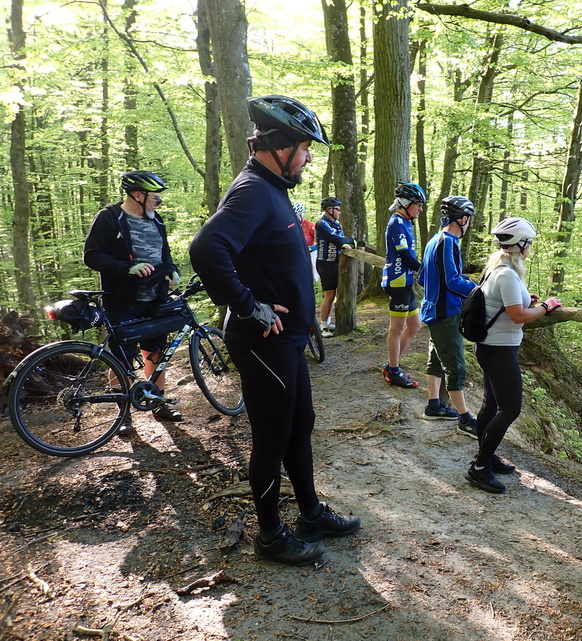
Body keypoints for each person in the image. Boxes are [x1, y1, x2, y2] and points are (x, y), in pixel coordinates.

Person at [189, 95, 360, 567]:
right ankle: (269, 535)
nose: (309, 158)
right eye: (305, 148)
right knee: (271, 436)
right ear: (280, 146)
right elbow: (205, 250)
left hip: (287, 342)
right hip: (264, 342)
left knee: (299, 425)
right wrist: (250, 306)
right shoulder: (251, 191)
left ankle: (309, 514)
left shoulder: (272, 188)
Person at [467, 218, 562, 494]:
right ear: (520, 243)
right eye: (528, 242)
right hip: (499, 349)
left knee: (489, 405)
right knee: (510, 409)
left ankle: (487, 456)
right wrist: (546, 305)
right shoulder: (507, 274)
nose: (530, 246)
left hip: (489, 346)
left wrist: (526, 299)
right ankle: (480, 468)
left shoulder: (497, 268)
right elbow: (519, 316)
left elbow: (504, 303)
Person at [83, 170, 182, 434]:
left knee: (156, 351)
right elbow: (91, 256)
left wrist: (171, 270)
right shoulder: (109, 218)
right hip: (122, 300)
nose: (157, 203)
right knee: (122, 357)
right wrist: (126, 268)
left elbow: (165, 253)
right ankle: (123, 413)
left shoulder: (156, 220)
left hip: (155, 299)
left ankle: (158, 401)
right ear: (137, 195)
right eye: (155, 198)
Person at [418, 195, 479, 436]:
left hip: (433, 309)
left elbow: (424, 277)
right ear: (462, 219)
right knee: (456, 367)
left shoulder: (435, 239)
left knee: (436, 359)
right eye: (468, 220)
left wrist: (467, 281)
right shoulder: (448, 242)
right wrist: (479, 291)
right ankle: (465, 419)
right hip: (445, 313)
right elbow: (451, 281)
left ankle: (434, 405)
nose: (468, 224)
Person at [380, 182, 426, 389]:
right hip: (397, 282)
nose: (421, 209)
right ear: (406, 203)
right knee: (397, 329)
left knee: (415, 325)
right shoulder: (397, 222)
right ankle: (394, 370)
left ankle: (392, 364)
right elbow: (406, 257)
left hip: (406, 282)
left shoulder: (407, 222)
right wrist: (427, 270)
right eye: (418, 204)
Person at [315, 196, 355, 338]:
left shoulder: (336, 224)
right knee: (329, 294)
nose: (340, 212)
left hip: (335, 262)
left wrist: (347, 242)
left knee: (334, 294)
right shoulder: (322, 223)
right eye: (337, 209)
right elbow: (338, 240)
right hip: (325, 262)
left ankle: (328, 321)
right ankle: (323, 325)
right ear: (329, 210)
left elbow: (343, 240)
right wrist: (348, 241)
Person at [295, 201, 319, 281]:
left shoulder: (310, 225)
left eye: (298, 215)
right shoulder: (292, 225)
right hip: (299, 252)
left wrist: (312, 248)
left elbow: (318, 239)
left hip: (311, 251)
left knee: (314, 269)